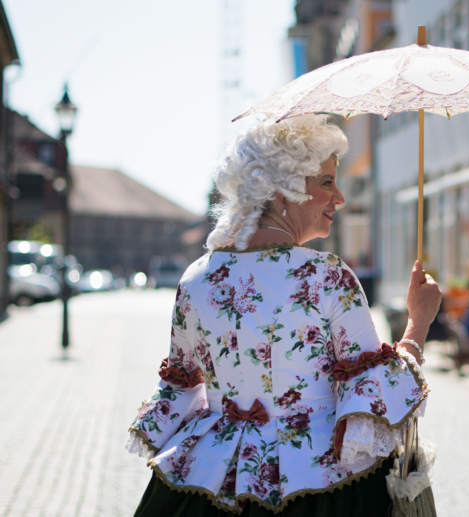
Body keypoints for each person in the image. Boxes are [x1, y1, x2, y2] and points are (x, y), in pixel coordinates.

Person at [126, 114, 442, 516]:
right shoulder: (325, 276)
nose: (339, 197)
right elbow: (374, 395)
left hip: (209, 474)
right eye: (326, 182)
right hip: (320, 482)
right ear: (281, 192)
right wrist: (418, 322)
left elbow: (184, 386)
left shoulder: (197, 278)